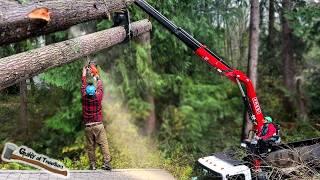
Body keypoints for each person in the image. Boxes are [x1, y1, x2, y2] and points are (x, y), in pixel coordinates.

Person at [81, 64, 111, 170]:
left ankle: (93, 165)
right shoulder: (98, 97)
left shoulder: (84, 98)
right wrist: (95, 74)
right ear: (94, 91)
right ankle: (107, 163)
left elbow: (83, 84)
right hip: (98, 125)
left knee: (90, 147)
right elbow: (100, 86)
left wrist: (84, 72)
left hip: (88, 127)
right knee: (103, 144)